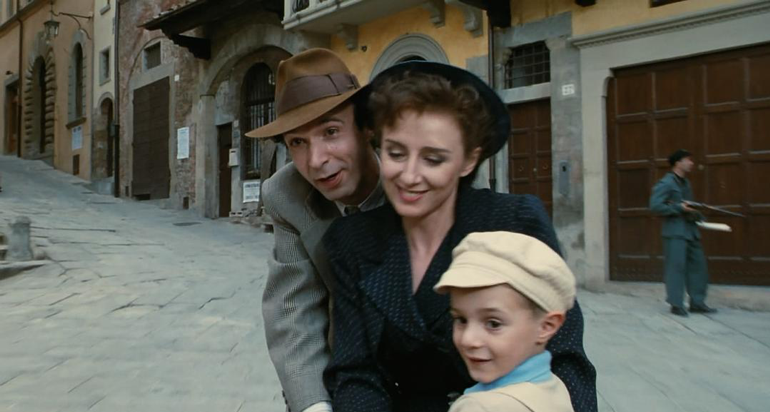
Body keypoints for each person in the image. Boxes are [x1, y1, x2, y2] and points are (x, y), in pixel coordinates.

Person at [323, 61, 596, 412]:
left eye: (433, 159)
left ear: (468, 160)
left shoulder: (514, 220)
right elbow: (355, 371)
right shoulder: (352, 240)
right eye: (396, 153)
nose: (409, 175)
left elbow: (566, 355)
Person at [245, 49, 383, 412]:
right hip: (344, 375)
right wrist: (314, 405)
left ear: (367, 127)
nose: (317, 160)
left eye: (331, 132)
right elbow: (293, 310)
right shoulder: (285, 194)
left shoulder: (412, 175)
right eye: (298, 142)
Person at [434, 231, 577, 412]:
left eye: (493, 324)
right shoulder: (554, 387)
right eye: (461, 319)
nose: (468, 339)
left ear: (546, 326)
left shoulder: (479, 407)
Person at [649, 149, 716, 317]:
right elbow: (655, 206)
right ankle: (676, 304)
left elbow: (688, 206)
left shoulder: (685, 183)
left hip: (690, 231)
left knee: (698, 268)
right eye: (688, 160)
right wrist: (678, 207)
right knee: (676, 268)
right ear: (678, 163)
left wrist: (696, 213)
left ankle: (697, 302)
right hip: (675, 232)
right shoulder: (666, 183)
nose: (691, 163)